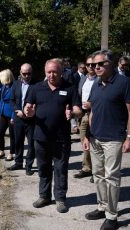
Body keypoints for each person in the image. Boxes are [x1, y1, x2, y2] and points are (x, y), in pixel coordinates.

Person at [83, 49, 130, 230]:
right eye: (92, 65)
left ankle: (112, 216)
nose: (95, 67)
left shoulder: (124, 83)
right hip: (95, 138)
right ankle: (102, 206)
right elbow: (93, 111)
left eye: (100, 64)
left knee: (111, 177)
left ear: (111, 64)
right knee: (97, 174)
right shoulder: (97, 84)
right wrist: (87, 135)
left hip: (114, 138)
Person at [24, 58, 82, 213]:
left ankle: (61, 199)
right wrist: (28, 111)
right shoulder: (36, 88)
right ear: (45, 72)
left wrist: (73, 113)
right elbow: (27, 107)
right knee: (43, 168)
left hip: (61, 138)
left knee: (60, 169)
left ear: (61, 72)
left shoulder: (70, 88)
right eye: (49, 72)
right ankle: (44, 196)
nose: (51, 75)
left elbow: (78, 109)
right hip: (41, 137)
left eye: (55, 71)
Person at [7, 63, 36, 176]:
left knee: (31, 143)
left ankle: (28, 166)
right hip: (19, 118)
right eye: (24, 74)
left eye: (29, 73)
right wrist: (17, 111)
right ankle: (18, 162)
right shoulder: (15, 84)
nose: (27, 76)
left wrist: (33, 111)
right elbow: (12, 100)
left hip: (31, 120)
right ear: (20, 73)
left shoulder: (36, 84)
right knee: (18, 142)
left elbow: (39, 101)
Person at [73, 55, 96, 183]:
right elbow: (78, 94)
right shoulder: (82, 79)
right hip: (83, 114)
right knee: (84, 141)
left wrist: (92, 104)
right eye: (88, 65)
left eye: (93, 65)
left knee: (96, 143)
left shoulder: (100, 79)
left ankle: (98, 170)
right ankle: (87, 167)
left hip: (95, 114)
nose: (91, 67)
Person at [0, 69, 15, 161]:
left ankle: (11, 153)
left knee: (12, 135)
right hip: (3, 113)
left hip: (11, 114)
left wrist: (13, 116)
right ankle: (2, 150)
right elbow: (2, 100)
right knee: (0, 133)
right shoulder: (4, 86)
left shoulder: (14, 86)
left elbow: (15, 103)